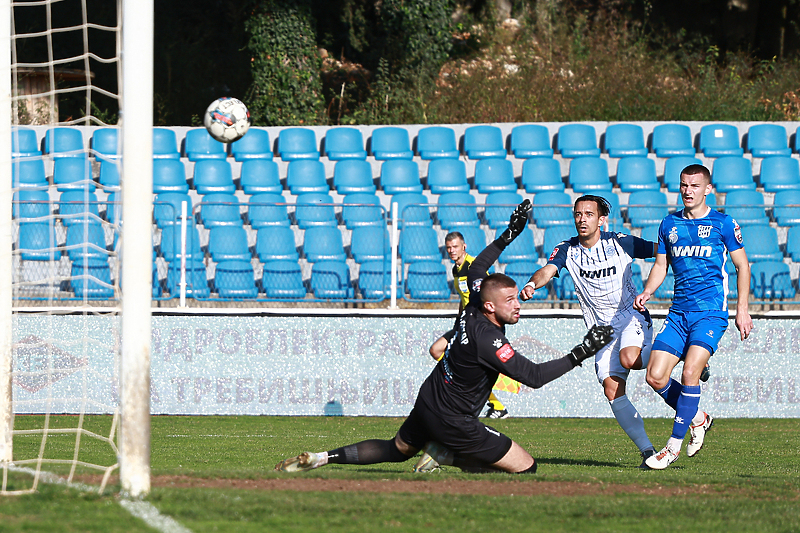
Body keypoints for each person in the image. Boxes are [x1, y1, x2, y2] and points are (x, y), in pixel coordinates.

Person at [275, 200, 614, 474]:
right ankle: (446, 455)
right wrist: (582, 351)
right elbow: (535, 377)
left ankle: (322, 458)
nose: (518, 305)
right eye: (510, 301)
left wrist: (508, 235)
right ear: (492, 307)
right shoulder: (490, 340)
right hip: (454, 419)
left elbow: (478, 269)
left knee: (398, 449)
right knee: (527, 467)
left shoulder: (472, 306)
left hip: (429, 400)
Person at [519, 194, 657, 467]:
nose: (582, 219)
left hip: (631, 317)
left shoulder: (621, 243)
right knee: (612, 390)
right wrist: (533, 285)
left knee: (631, 358)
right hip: (601, 333)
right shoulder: (567, 249)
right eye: (578, 214)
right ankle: (649, 453)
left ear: (601, 219)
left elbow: (659, 250)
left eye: (589, 214)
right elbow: (547, 270)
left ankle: (675, 352)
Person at [634, 164, 753, 470]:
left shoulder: (723, 223)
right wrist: (648, 291)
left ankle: (672, 446)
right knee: (655, 376)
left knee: (690, 374)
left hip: (710, 314)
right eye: (684, 185)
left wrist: (742, 309)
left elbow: (742, 266)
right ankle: (698, 418)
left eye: (695, 186)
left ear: (708, 189)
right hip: (678, 313)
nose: (688, 191)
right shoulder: (669, 223)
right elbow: (661, 265)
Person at [428, 231, 516, 419]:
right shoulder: (455, 269)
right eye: (449, 247)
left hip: (478, 325)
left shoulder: (473, 266)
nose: (451, 250)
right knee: (436, 351)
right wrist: (459, 318)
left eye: (455, 247)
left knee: (467, 367)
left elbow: (487, 292)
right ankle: (492, 404)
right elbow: (463, 298)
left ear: (464, 247)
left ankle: (491, 405)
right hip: (464, 323)